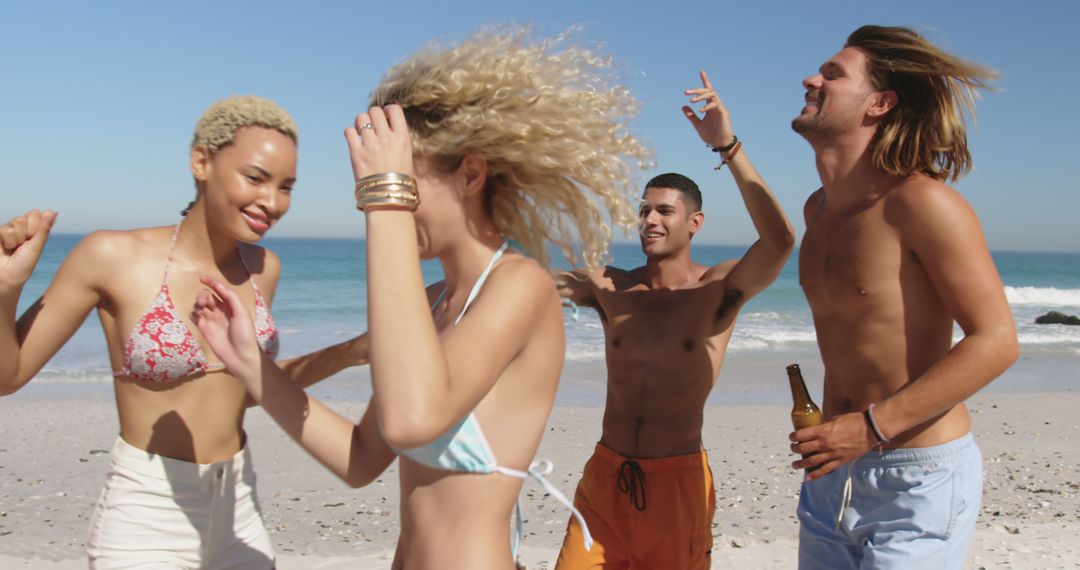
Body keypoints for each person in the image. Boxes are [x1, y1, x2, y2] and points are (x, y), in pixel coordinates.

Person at [191, 29, 651, 569]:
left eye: (405, 183)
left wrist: (383, 198)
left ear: (470, 174)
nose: (389, 199)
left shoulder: (521, 287)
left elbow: (414, 420)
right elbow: (361, 459)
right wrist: (253, 367)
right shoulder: (434, 304)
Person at [0, 96, 368, 569]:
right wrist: (8, 289)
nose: (273, 202)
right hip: (146, 511)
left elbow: (252, 387)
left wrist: (351, 352)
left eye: (286, 187)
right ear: (201, 161)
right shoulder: (112, 255)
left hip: (239, 503)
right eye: (255, 178)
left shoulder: (263, 268)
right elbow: (8, 376)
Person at [788, 25, 1019, 569]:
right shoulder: (816, 212)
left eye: (832, 74)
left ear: (879, 103)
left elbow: (998, 340)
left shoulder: (922, 204)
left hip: (917, 476)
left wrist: (870, 428)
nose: (811, 79)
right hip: (830, 475)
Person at [554, 71, 795, 569]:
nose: (649, 221)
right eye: (643, 210)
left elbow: (779, 240)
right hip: (605, 473)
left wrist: (726, 146)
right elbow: (513, 281)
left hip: (677, 481)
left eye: (664, 210)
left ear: (694, 222)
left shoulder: (717, 290)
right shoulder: (608, 286)